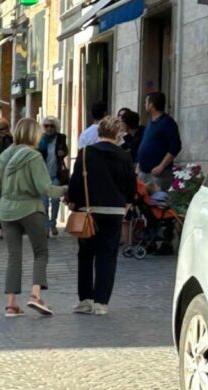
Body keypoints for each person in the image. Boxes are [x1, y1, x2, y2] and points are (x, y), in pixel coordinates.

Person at [0, 118, 67, 317]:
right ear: (34, 134)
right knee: (40, 252)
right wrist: (67, 190)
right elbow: (46, 188)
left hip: (6, 211)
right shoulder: (33, 157)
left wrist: (6, 196)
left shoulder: (5, 155)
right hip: (30, 209)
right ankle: (35, 295)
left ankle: (11, 304)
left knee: (14, 257)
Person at [67, 116, 136, 316]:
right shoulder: (124, 156)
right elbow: (130, 185)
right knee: (107, 255)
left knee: (86, 255)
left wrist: (74, 201)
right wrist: (127, 205)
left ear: (99, 133)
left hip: (88, 210)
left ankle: (85, 300)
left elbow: (77, 180)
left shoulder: (86, 153)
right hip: (114, 211)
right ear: (118, 134)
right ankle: (101, 303)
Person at [137, 92, 182, 191]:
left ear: (151, 105)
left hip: (158, 175)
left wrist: (161, 166)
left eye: (146, 102)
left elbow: (175, 147)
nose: (145, 105)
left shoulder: (167, 123)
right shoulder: (150, 123)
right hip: (144, 173)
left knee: (157, 201)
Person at [39, 116, 69, 237]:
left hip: (56, 174)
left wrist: (63, 153)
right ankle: (46, 227)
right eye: (46, 126)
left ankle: (53, 223)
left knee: (56, 200)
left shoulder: (61, 138)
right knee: (44, 203)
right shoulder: (40, 139)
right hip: (42, 175)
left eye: (51, 126)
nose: (49, 128)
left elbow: (65, 150)